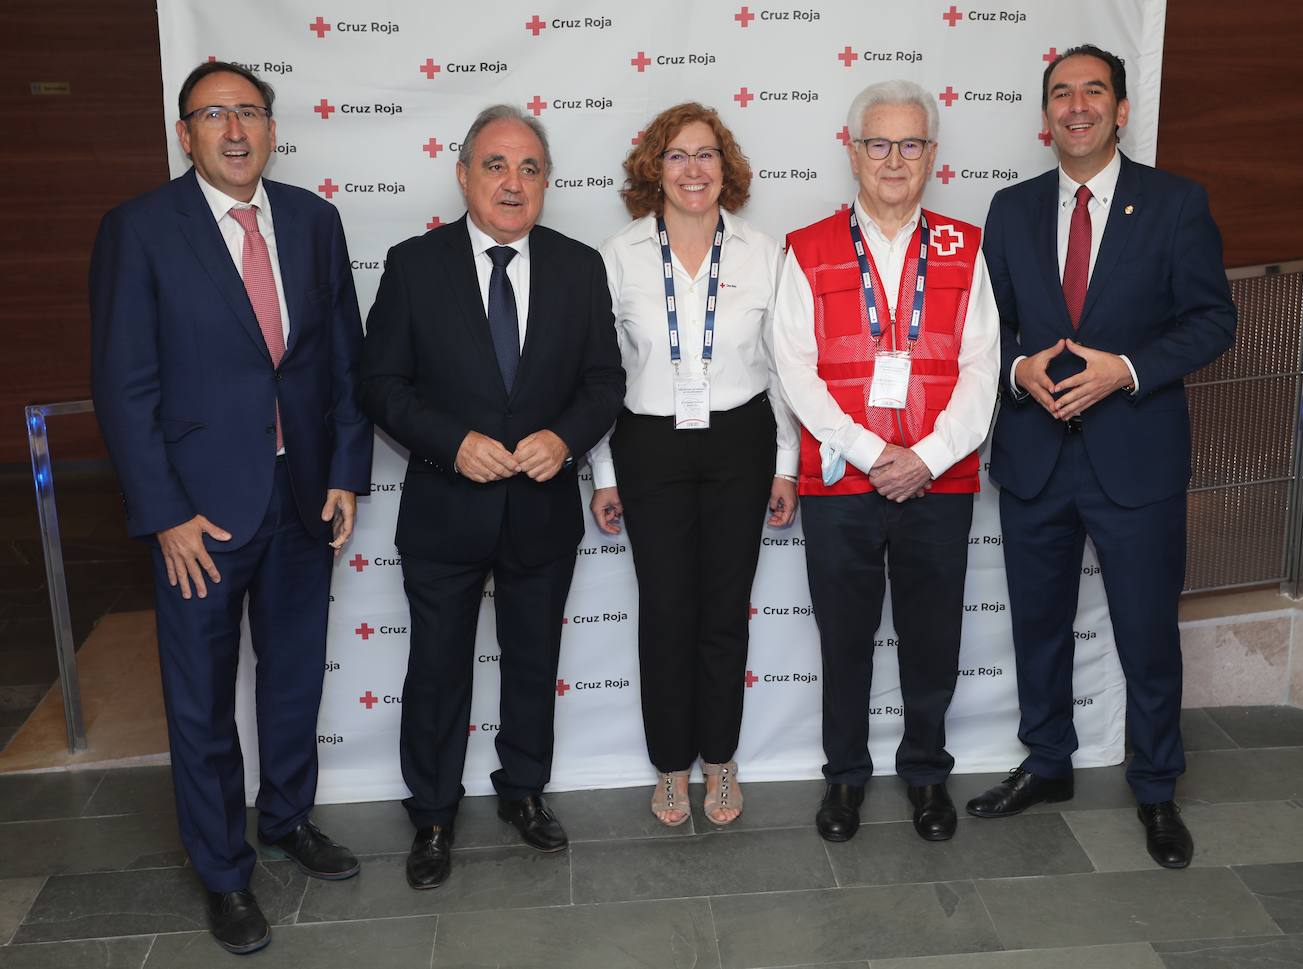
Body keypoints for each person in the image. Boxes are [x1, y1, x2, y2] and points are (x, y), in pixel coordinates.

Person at [89, 62, 372, 954]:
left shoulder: (315, 221)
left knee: (292, 681)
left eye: (249, 111)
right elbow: (123, 386)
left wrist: (345, 471)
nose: (236, 129)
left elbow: (342, 362)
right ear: (187, 134)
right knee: (202, 702)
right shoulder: (139, 230)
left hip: (301, 498)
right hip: (199, 520)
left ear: (271, 125)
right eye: (215, 115)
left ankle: (287, 819)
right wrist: (163, 511)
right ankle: (222, 869)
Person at [966, 45, 1236, 870]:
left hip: (1137, 457)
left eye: (1092, 92)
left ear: (1122, 110)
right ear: (1043, 115)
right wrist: (1019, 368)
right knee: (1038, 627)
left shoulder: (1176, 204)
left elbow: (1212, 319)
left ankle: (1156, 785)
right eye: (1060, 94)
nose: (1075, 106)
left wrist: (1127, 369)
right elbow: (991, 329)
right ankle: (1047, 762)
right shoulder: (1008, 210)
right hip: (1036, 456)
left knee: (1147, 633)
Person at [359, 105, 624, 889]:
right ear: (464, 173)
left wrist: (564, 438)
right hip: (446, 507)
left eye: (530, 168)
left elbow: (604, 381)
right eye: (497, 166)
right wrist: (452, 443)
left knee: (533, 662)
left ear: (547, 182)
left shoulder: (579, 266)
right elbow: (380, 383)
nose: (514, 183)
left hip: (541, 508)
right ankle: (434, 813)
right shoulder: (414, 265)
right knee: (438, 668)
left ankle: (524, 792)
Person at [772, 80, 999, 844]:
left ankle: (928, 774)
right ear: (853, 150)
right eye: (879, 143)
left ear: (932, 154)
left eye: (910, 144)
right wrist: (875, 455)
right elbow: (795, 370)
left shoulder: (966, 246)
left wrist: (926, 458)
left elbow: (981, 369)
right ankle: (844, 779)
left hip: (942, 481)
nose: (894, 159)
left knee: (933, 636)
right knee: (844, 637)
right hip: (842, 483)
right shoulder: (807, 247)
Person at [589, 103, 799, 827]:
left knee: (723, 611)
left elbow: (783, 371)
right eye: (676, 156)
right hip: (649, 445)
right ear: (654, 167)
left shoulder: (762, 253)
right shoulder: (617, 256)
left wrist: (787, 465)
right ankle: (672, 767)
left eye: (705, 154)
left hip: (740, 441)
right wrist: (606, 475)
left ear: (726, 166)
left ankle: (721, 759)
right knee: (667, 610)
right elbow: (600, 377)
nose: (692, 170)